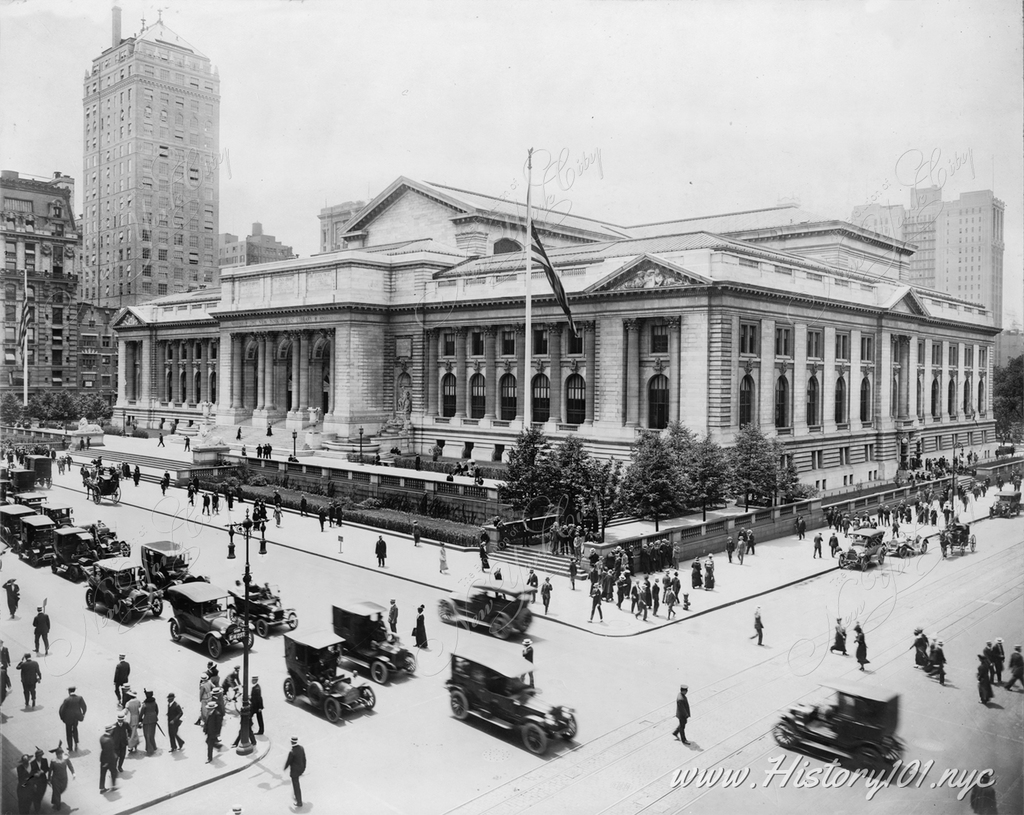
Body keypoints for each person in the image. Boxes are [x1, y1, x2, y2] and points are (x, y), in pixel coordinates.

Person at [59, 686, 87, 753]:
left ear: (69, 692)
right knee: (75, 730)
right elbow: (84, 707)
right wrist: (82, 715)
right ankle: (76, 744)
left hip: (68, 719)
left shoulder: (66, 700)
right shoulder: (79, 698)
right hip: (76, 718)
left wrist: (63, 718)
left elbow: (62, 710)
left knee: (68, 733)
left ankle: (70, 747)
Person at [48, 743, 74, 810]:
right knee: (57, 792)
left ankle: (55, 800)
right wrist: (49, 779)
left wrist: (73, 773)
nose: (60, 755)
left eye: (60, 754)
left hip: (64, 779)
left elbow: (70, 765)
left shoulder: (65, 759)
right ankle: (58, 805)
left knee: (62, 789)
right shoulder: (53, 761)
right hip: (56, 779)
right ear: (56, 755)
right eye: (58, 754)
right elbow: (50, 771)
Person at [285, 736, 307, 807]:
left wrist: (285, 768)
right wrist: (303, 768)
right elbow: (304, 759)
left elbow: (288, 762)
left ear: (291, 742)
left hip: (294, 772)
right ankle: (296, 796)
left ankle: (299, 802)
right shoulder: (301, 748)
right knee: (296, 784)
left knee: (296, 785)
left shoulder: (292, 752)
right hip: (301, 769)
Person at [27, 747, 49, 813]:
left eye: (41, 756)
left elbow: (46, 768)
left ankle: (37, 805)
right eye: (39, 756)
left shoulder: (44, 760)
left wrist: (42, 771)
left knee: (41, 794)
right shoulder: (32, 764)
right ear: (36, 756)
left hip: (43, 782)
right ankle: (37, 809)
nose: (40, 757)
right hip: (36, 783)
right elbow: (30, 775)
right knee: (37, 797)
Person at [99, 725, 119, 793]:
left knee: (103, 774)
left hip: (103, 759)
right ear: (110, 730)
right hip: (109, 760)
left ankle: (102, 788)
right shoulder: (109, 740)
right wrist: (107, 762)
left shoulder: (102, 737)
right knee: (114, 772)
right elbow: (108, 751)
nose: (113, 730)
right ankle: (113, 786)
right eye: (112, 729)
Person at [123, 686, 141, 753]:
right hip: (137, 716)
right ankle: (135, 743)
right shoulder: (138, 701)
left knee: (131, 732)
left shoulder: (128, 703)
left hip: (131, 717)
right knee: (134, 731)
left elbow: (126, 711)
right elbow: (139, 706)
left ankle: (131, 745)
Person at [141, 689, 159, 754]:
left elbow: (142, 712)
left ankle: (149, 749)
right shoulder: (154, 702)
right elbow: (157, 710)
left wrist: (140, 719)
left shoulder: (145, 704)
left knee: (147, 734)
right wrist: (154, 716)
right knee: (152, 734)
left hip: (147, 720)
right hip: (154, 719)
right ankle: (154, 746)